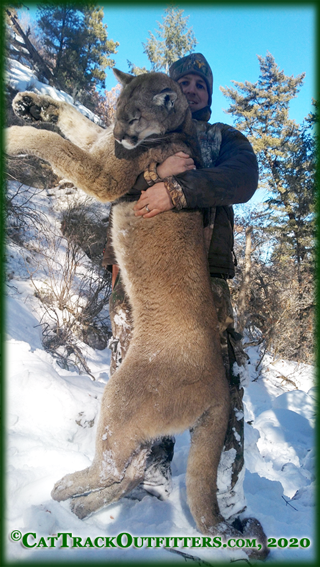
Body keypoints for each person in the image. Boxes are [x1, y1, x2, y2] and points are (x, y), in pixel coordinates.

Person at [103, 53, 258, 524]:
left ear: (207, 96)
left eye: (199, 85)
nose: (190, 90)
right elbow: (112, 185)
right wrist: (153, 176)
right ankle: (136, 468)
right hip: (143, 275)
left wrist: (177, 189)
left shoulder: (220, 139)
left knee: (219, 382)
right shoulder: (140, 133)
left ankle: (225, 496)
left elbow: (242, 179)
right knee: (137, 366)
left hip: (202, 280)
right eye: (182, 81)